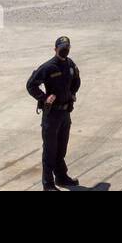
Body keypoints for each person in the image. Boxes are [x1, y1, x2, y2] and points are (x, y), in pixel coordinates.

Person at [26, 35, 81, 191]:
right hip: (52, 115)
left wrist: (72, 93)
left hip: (65, 113)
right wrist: (44, 98)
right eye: (62, 48)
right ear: (55, 49)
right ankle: (48, 184)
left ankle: (61, 177)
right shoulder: (48, 67)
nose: (65, 50)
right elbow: (31, 85)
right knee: (50, 150)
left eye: (67, 48)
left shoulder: (70, 64)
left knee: (61, 148)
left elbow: (77, 79)